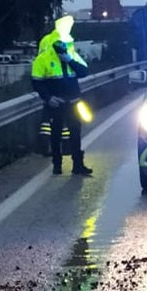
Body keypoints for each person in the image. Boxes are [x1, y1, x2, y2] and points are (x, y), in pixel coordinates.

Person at [31, 15, 93, 175]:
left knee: (75, 134)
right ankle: (57, 165)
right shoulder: (43, 59)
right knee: (55, 134)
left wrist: (69, 60)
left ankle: (78, 165)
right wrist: (48, 98)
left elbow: (84, 71)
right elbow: (36, 82)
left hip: (73, 102)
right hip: (55, 103)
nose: (63, 47)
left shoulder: (71, 54)